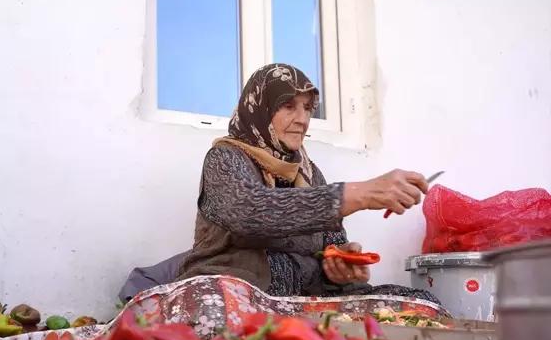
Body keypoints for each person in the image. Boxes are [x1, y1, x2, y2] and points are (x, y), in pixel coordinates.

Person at [176, 63, 439, 304]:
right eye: (289, 106)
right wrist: (359, 194)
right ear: (261, 107)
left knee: (420, 303)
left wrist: (338, 266)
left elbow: (332, 246)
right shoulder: (225, 158)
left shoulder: (309, 173)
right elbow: (252, 212)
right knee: (213, 306)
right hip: (237, 292)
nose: (302, 120)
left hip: (307, 298)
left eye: (308, 108)